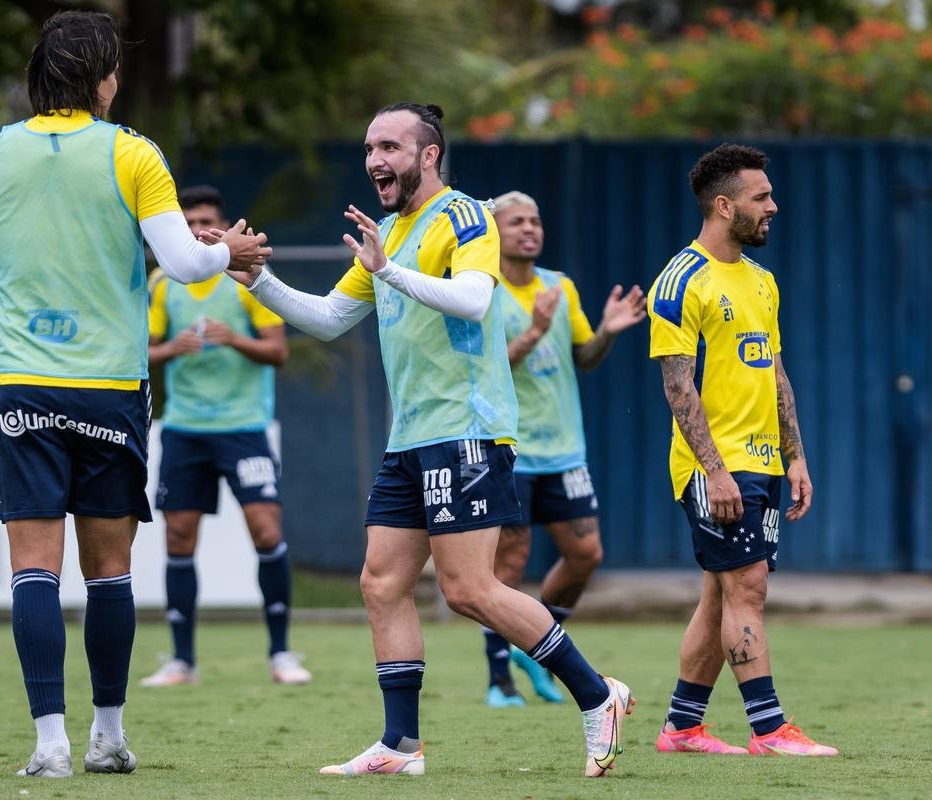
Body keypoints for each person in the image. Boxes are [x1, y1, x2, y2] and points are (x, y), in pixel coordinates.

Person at [216, 102, 633, 778]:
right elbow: (326, 319)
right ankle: (399, 745)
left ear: (428, 154)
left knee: (470, 591)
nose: (375, 159)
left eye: (389, 146)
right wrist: (258, 280)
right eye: (368, 147)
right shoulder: (386, 231)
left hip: (466, 428)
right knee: (381, 582)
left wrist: (390, 273)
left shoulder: (464, 216)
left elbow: (472, 298)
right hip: (411, 437)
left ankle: (598, 695)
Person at [0, 11, 270, 779]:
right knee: (109, 569)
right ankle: (107, 736)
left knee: (32, 568)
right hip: (107, 390)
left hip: (21, 383)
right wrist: (232, 249)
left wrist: (14, 289)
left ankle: (49, 744)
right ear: (103, 77)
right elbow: (186, 266)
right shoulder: (132, 154)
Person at [647, 143, 836, 756]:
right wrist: (715, 471)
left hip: (764, 463)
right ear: (725, 206)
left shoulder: (761, 280)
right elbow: (678, 387)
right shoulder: (679, 281)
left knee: (722, 591)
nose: (773, 207)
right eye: (762, 197)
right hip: (717, 468)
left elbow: (776, 373)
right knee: (747, 586)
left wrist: (796, 456)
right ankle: (769, 728)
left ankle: (681, 728)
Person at [138, 185, 310, 688]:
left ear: (223, 226)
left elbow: (279, 352)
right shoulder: (161, 282)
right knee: (178, 536)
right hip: (186, 432)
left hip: (244, 429)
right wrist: (174, 347)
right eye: (187, 223)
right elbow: (138, 353)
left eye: (206, 221)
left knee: (267, 531)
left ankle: (281, 654)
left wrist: (234, 339)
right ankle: (181, 661)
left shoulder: (247, 278)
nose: (196, 231)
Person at [482, 192, 645, 708]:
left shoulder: (560, 285)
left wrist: (609, 332)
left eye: (535, 219)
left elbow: (584, 358)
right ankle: (499, 681)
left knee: (585, 555)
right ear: (496, 232)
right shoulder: (482, 289)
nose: (529, 228)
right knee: (509, 566)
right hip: (510, 449)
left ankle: (538, 643)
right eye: (516, 222)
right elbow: (483, 371)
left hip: (565, 451)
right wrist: (532, 330)